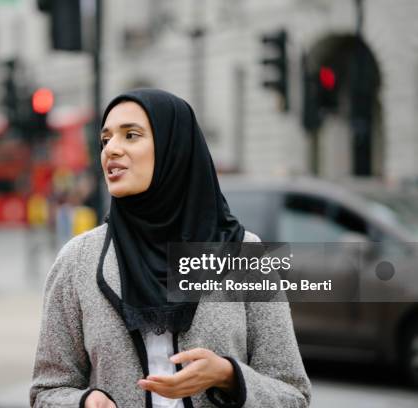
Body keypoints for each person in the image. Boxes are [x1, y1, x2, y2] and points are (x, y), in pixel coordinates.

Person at [30, 89, 311, 408]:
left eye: (131, 135)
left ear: (173, 148)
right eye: (105, 140)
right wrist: (84, 402)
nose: (112, 150)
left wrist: (230, 377)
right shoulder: (78, 259)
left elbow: (294, 395)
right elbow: (47, 391)